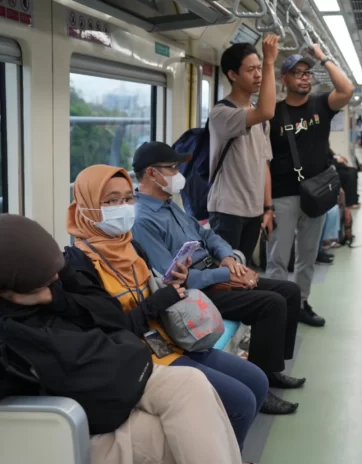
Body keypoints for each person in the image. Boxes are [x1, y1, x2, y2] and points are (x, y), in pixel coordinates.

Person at [0, 214, 243, 464]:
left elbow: (111, 314)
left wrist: (53, 297)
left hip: (117, 373)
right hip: (79, 415)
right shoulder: (12, 331)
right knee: (180, 435)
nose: (56, 279)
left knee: (194, 386)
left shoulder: (56, 278)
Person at [65, 165, 272, 446]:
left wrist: (173, 281)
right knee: (241, 402)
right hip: (136, 356)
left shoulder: (131, 246)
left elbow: (149, 291)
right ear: (87, 206)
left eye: (128, 199)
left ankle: (226, 453)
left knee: (258, 381)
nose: (123, 208)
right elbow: (109, 330)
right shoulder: (79, 266)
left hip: (168, 337)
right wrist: (158, 301)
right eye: (111, 201)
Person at [128, 143, 305, 415]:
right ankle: (262, 385)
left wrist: (228, 259)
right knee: (272, 304)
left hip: (217, 272)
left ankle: (272, 368)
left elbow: (207, 236)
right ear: (151, 173)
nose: (178, 173)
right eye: (172, 168)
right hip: (198, 290)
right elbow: (171, 277)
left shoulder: (169, 205)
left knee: (290, 292)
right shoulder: (143, 221)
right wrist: (226, 274)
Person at [265, 45, 354, 327]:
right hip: (283, 195)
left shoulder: (320, 105)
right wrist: (266, 205)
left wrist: (322, 56)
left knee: (307, 256)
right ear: (284, 80)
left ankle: (301, 303)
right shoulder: (273, 113)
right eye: (297, 74)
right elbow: (263, 163)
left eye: (307, 73)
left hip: (314, 196)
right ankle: (277, 308)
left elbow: (347, 89)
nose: (304, 78)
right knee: (278, 258)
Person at [207, 36, 279, 263]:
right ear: (232, 75)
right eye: (251, 70)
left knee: (243, 272)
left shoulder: (259, 117)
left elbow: (264, 163)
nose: (258, 75)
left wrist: (267, 207)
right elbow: (267, 111)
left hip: (254, 210)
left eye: (259, 68)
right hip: (227, 210)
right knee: (226, 277)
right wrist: (269, 63)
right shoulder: (222, 113)